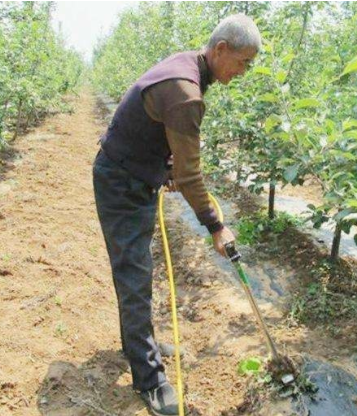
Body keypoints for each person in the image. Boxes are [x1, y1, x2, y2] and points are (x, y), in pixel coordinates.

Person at [92, 14, 261, 416]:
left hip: (133, 175)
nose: (243, 72)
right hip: (122, 184)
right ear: (220, 50)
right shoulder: (187, 91)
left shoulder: (188, 66)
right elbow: (190, 175)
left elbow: (156, 127)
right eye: (242, 62)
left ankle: (138, 345)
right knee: (134, 275)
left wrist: (161, 166)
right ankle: (149, 381)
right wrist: (216, 227)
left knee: (137, 271)